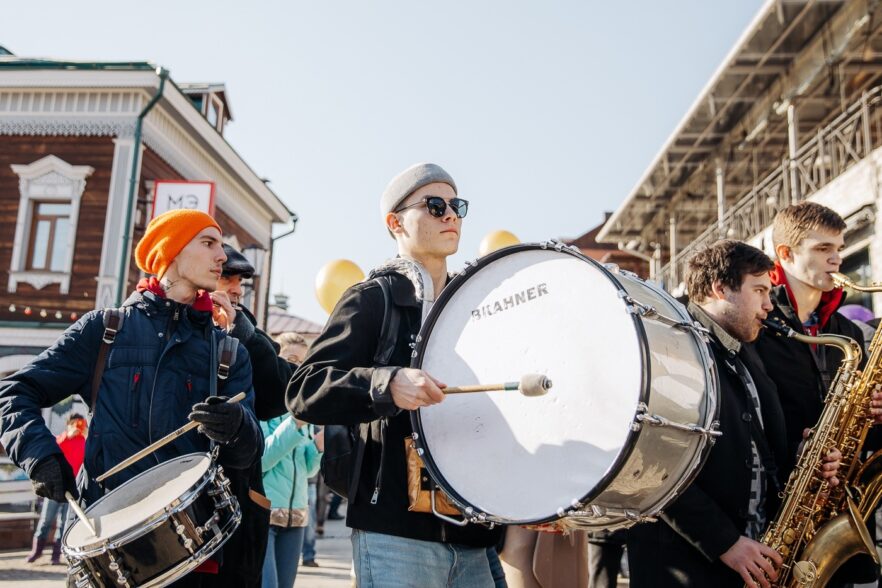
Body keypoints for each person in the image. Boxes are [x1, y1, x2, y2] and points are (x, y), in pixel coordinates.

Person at [0, 208, 263, 586]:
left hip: (193, 553)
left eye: (220, 245)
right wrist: (40, 456)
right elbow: (13, 393)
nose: (221, 256)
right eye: (208, 243)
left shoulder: (228, 351)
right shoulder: (104, 329)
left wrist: (237, 427)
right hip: (105, 544)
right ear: (170, 251)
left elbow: (248, 453)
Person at [289, 163, 502, 587]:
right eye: (435, 205)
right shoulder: (372, 298)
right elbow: (304, 388)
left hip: (476, 533)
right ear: (395, 222)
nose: (451, 215)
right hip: (395, 535)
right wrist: (386, 384)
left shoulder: (478, 306)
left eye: (457, 205)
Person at [627, 239, 842, 588]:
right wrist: (724, 541)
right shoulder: (670, 349)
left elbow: (757, 450)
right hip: (686, 568)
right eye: (759, 290)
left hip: (750, 559)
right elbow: (648, 464)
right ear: (720, 288)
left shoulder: (748, 353)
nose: (769, 306)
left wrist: (804, 458)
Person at [754, 202, 881, 585]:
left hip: (838, 513)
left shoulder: (850, 330)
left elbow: (864, 435)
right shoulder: (759, 325)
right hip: (778, 515)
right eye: (823, 249)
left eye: (839, 248)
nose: (837, 259)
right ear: (786, 254)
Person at [260, 414, 323, 587]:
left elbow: (308, 470)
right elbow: (263, 459)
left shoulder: (302, 415)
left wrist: (318, 447)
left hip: (297, 517)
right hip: (265, 515)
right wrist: (294, 424)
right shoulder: (263, 410)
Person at [25, 413, 87, 565]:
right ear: (68, 424)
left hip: (72, 488)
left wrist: (86, 435)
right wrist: (67, 435)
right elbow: (53, 450)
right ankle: (36, 551)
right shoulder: (62, 438)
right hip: (56, 486)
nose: (78, 426)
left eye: (80, 423)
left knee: (64, 523)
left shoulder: (84, 440)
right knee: (46, 519)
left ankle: (56, 555)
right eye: (75, 423)